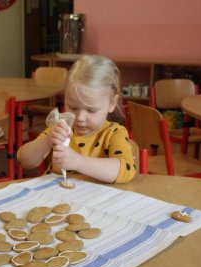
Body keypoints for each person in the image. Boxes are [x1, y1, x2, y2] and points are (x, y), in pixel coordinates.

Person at [18, 54, 136, 183]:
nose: (80, 118)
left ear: (112, 104)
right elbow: (24, 160)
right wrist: (46, 141)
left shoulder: (114, 133)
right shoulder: (60, 129)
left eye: (91, 110)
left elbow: (126, 169)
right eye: (73, 107)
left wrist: (78, 162)